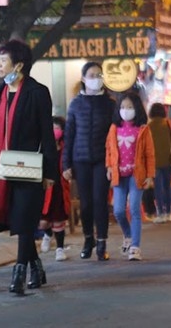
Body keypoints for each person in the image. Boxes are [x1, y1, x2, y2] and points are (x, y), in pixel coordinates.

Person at [0, 40, 58, 294]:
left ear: (18, 64)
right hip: (4, 167)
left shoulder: (37, 92)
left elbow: (47, 135)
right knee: (19, 219)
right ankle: (36, 266)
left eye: (3, 60)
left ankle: (19, 271)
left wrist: (49, 172)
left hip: (30, 166)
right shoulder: (1, 91)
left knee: (23, 217)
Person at [62, 61, 115, 261]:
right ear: (83, 79)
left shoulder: (110, 104)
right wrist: (66, 164)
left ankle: (102, 241)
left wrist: (113, 163)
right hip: (80, 160)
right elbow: (69, 135)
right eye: (92, 75)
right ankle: (88, 239)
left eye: (99, 75)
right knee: (85, 204)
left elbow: (114, 135)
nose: (96, 79)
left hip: (102, 160)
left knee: (100, 201)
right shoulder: (75, 104)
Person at [105, 92, 155, 260]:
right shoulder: (114, 128)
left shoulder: (143, 129)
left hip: (136, 175)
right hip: (119, 175)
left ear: (137, 109)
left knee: (134, 208)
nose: (126, 110)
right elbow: (109, 150)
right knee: (118, 210)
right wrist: (108, 167)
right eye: (123, 107)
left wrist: (150, 175)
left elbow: (150, 154)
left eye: (130, 107)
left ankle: (135, 247)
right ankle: (128, 235)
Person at [39, 116, 71, 261]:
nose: (54, 131)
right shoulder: (42, 147)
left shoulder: (66, 148)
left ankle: (60, 248)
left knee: (58, 219)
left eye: (57, 128)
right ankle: (47, 234)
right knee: (43, 220)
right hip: (44, 188)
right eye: (51, 128)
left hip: (59, 188)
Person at [148, 102, 171, 223]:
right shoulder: (168, 124)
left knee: (158, 188)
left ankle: (160, 212)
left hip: (154, 162)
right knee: (167, 187)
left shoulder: (148, 126)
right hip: (167, 161)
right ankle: (169, 211)